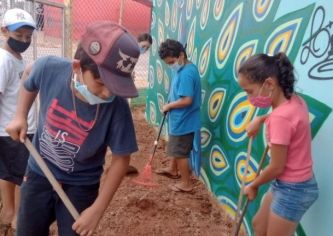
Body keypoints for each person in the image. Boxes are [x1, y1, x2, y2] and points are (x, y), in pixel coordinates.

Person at [6, 21, 140, 236]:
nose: (107, 94)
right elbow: (29, 78)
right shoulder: (50, 67)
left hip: (81, 186)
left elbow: (121, 159)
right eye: (100, 83)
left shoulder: (117, 107)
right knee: (28, 230)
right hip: (39, 172)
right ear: (77, 67)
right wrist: (20, 114)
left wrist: (97, 210)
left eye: (115, 86)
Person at [238, 53, 319, 235]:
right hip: (290, 183)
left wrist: (253, 185)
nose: (248, 97)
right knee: (259, 225)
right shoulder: (294, 100)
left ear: (268, 84)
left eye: (249, 91)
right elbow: (291, 121)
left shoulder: (280, 117)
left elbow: (276, 168)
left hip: (294, 189)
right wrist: (261, 119)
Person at [0, 8, 37, 235]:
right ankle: (16, 218)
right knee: (24, 176)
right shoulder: (4, 61)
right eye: (19, 36)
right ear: (4, 31)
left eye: (28, 37)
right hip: (12, 131)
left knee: (9, 173)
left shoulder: (15, 57)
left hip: (19, 128)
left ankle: (10, 213)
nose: (24, 41)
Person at [155, 39, 201, 192]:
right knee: (176, 147)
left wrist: (169, 105)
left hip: (184, 120)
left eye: (172, 61)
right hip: (179, 118)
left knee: (181, 152)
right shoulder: (183, 68)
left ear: (181, 55)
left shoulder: (187, 73)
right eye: (167, 63)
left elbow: (187, 100)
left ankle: (186, 184)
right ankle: (172, 170)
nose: (171, 65)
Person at [125, 32, 152, 175]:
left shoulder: (135, 53)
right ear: (138, 42)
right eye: (143, 46)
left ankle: (124, 162)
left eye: (147, 48)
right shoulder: (129, 50)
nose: (144, 50)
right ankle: (121, 163)